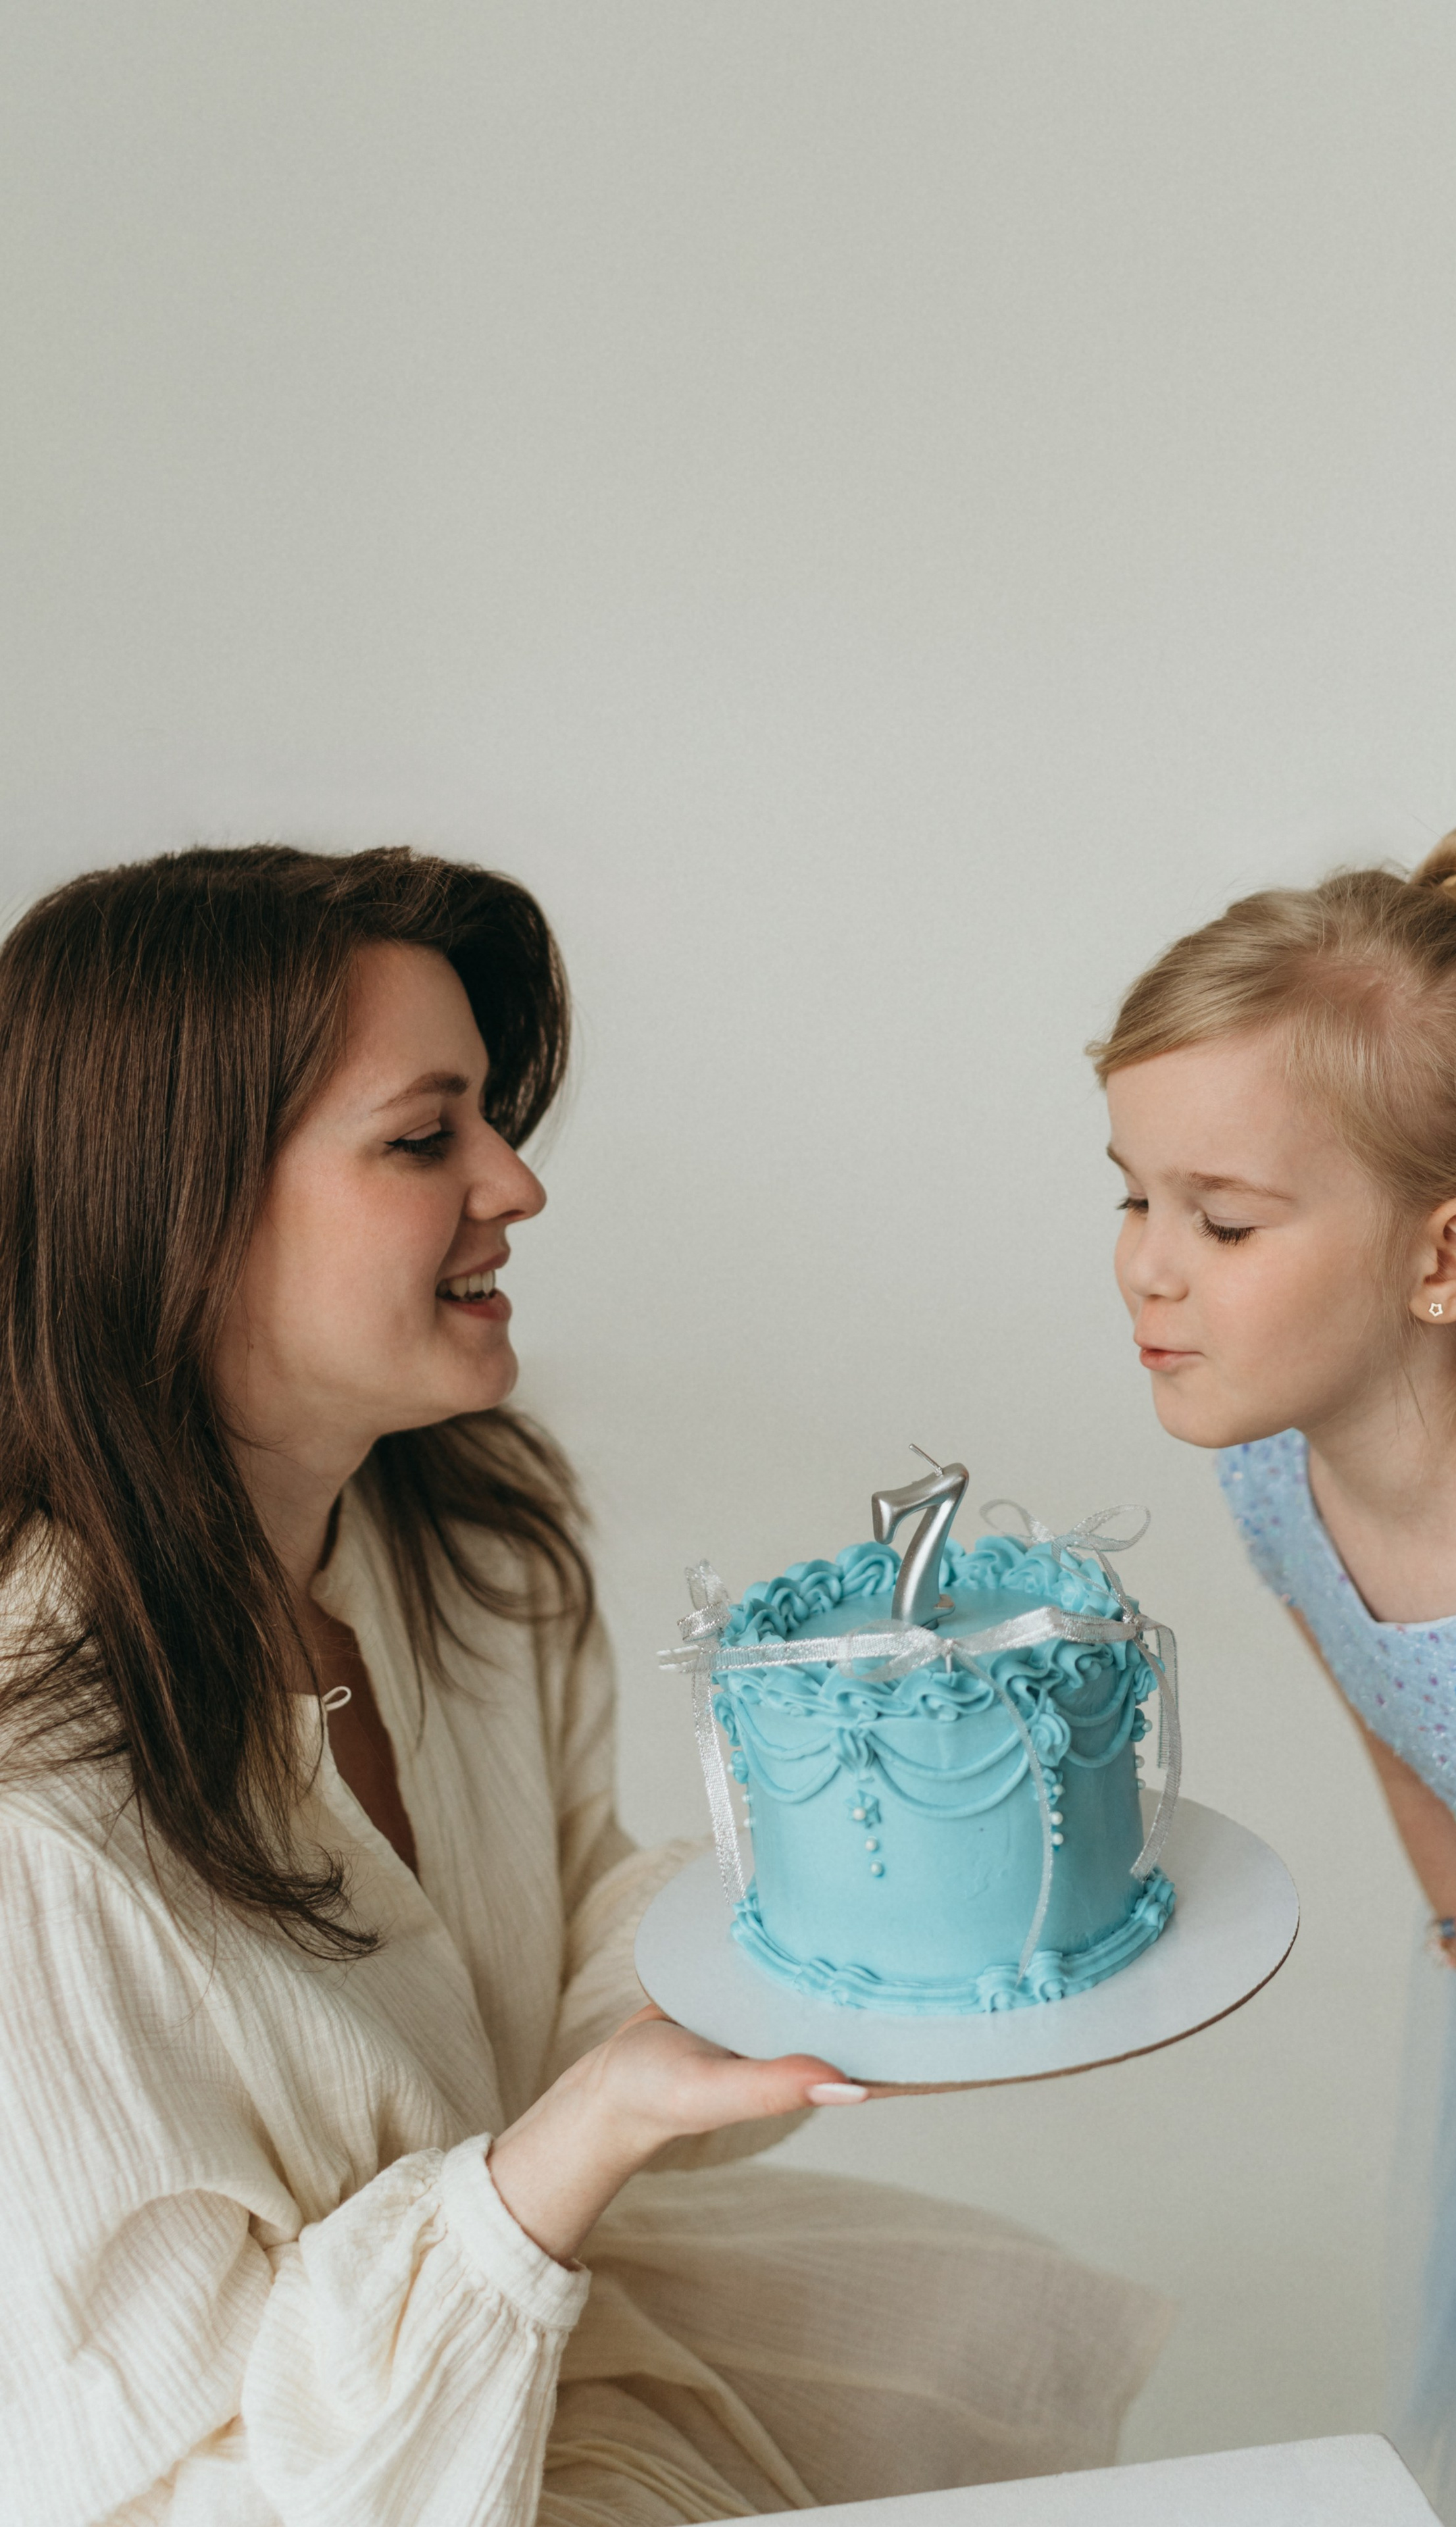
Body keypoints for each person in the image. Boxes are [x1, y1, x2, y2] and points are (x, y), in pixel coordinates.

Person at [0, 844, 1167, 2527]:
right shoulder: (36, 1830)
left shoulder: (467, 1550)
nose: (516, 1183)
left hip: (526, 2369)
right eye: (425, 1139)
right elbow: (180, 2478)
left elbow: (546, 1965)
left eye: (490, 1116)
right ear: (177, 1210)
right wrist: (572, 2148)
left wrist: (885, 1877)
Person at [1090, 820, 1456, 2526]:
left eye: (1221, 1221)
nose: (1145, 1264)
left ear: (1443, 1260)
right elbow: (1437, 1815)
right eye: (1132, 1195)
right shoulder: (1275, 1468)